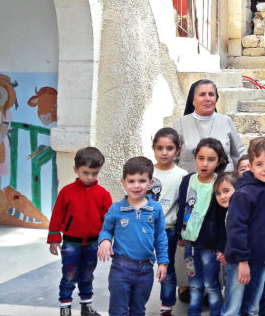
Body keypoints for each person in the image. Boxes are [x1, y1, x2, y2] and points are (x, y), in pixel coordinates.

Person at [97, 156, 169, 316]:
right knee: (118, 310)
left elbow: (160, 237)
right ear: (123, 182)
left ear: (150, 183)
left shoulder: (156, 209)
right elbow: (106, 230)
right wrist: (105, 240)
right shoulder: (116, 209)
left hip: (145, 270)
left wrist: (163, 262)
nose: (136, 186)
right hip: (120, 269)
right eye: (131, 181)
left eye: (142, 181)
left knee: (138, 310)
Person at [48, 147, 112, 316]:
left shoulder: (103, 194)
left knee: (87, 275)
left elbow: (108, 220)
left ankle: (86, 306)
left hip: (92, 244)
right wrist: (54, 238)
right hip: (71, 244)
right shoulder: (66, 192)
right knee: (69, 276)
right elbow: (57, 216)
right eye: (86, 173)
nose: (90, 177)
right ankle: (65, 308)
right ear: (76, 169)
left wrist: (108, 239)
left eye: (95, 173)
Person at [222, 137, 265, 316]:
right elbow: (235, 229)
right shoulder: (244, 194)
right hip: (240, 261)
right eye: (259, 164)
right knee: (233, 309)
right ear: (251, 167)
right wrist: (242, 261)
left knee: (252, 308)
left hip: (261, 259)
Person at [176, 138, 229, 316]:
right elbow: (182, 208)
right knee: (194, 282)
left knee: (211, 284)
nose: (205, 164)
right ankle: (194, 311)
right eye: (201, 158)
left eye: (211, 159)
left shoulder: (220, 183)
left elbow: (223, 219)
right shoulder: (188, 180)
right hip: (189, 245)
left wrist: (221, 246)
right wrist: (180, 234)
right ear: (195, 157)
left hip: (210, 246)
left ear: (219, 161)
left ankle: (215, 312)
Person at [148, 127, 188, 316]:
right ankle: (136, 304)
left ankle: (166, 307)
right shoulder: (147, 170)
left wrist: (182, 232)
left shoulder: (182, 175)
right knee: (140, 267)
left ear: (177, 150)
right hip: (144, 229)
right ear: (153, 148)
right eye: (160, 148)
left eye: (169, 148)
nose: (164, 152)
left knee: (168, 267)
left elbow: (184, 206)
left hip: (168, 230)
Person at [174, 79, 244, 172]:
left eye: (211, 94)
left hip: (222, 179)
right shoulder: (180, 124)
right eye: (202, 94)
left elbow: (239, 156)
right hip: (189, 179)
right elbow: (172, 158)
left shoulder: (226, 121)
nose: (207, 99)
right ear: (193, 100)